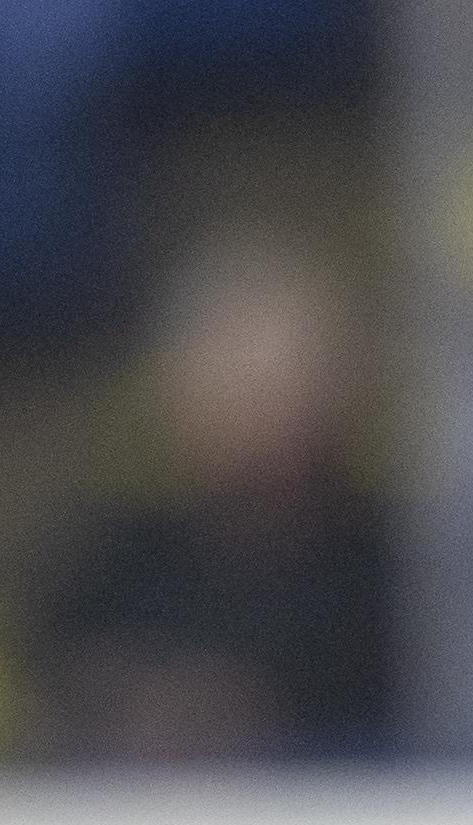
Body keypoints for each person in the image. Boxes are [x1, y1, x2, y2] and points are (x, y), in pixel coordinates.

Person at [24, 230, 398, 763]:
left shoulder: (408, 579)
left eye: (294, 378)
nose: (273, 415)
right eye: (240, 381)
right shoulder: (110, 571)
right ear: (178, 391)